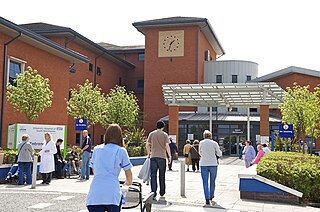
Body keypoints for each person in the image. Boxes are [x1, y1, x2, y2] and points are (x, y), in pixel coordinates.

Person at [86, 124, 133, 211]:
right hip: (112, 193)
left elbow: (94, 170)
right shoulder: (121, 151)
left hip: (95, 193)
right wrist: (126, 184)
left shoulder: (96, 149)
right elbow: (129, 177)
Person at [146, 121, 171, 199]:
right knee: (162, 175)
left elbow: (147, 144)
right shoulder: (165, 135)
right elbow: (167, 146)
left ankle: (153, 191)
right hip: (162, 157)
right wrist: (169, 156)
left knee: (153, 175)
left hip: (153, 157)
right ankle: (162, 191)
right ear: (163, 127)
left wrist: (149, 153)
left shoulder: (151, 134)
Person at [199, 130, 222, 205]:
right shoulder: (214, 143)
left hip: (203, 163)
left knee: (205, 182)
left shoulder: (201, 143)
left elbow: (200, 152)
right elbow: (219, 153)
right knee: (212, 181)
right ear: (211, 136)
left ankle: (207, 198)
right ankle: (211, 195)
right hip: (213, 163)